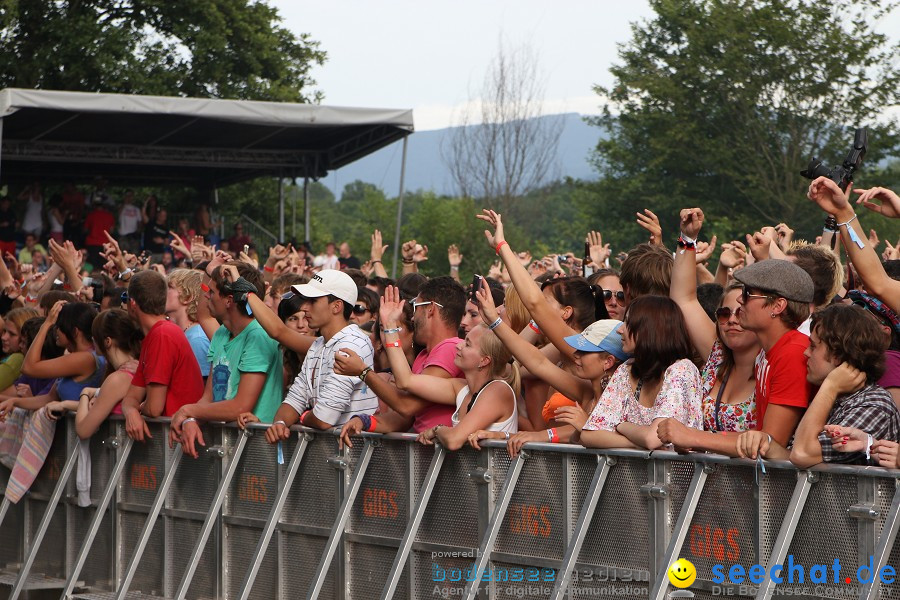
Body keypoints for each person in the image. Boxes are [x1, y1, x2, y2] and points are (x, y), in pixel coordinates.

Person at [467, 280, 627, 454]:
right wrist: (494, 321)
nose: (576, 355)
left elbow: (602, 434)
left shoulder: (622, 399)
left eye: (585, 351)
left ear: (608, 361)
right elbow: (537, 363)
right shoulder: (587, 392)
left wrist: (583, 426)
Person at [739, 304, 900, 466]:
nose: (806, 352)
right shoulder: (835, 397)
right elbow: (794, 456)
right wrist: (766, 444)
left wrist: (830, 387)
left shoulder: (874, 405)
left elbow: (802, 454)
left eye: (814, 346)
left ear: (837, 355)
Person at [657, 208, 760, 455]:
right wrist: (687, 239)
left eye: (741, 312)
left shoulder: (773, 365)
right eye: (724, 314)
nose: (732, 320)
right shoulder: (716, 357)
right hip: (701, 486)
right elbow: (683, 298)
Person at [372, 285, 519, 450]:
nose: (458, 346)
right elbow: (406, 381)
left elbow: (454, 439)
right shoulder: (460, 388)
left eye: (468, 344)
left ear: (484, 360)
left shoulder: (498, 390)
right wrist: (390, 326)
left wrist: (437, 430)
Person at [168, 263, 283, 457]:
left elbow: (240, 406)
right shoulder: (222, 333)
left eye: (211, 292)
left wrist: (188, 410)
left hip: (259, 451)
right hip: (229, 447)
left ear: (229, 300)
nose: (205, 296)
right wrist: (190, 420)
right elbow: (208, 397)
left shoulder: (258, 335)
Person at [264, 270, 377, 443]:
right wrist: (280, 422)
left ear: (336, 306)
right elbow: (296, 397)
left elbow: (324, 418)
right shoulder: (318, 344)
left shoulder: (352, 344)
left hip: (355, 456)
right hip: (335, 456)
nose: (304, 307)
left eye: (313, 301)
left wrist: (301, 417)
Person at [578, 296, 702, 450]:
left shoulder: (682, 369)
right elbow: (589, 435)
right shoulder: (626, 369)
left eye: (628, 323)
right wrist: (636, 444)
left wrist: (621, 425)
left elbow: (653, 438)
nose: (620, 329)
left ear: (650, 329)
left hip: (676, 474)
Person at [730, 260, 815, 458]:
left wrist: (690, 437)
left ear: (777, 306)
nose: (740, 300)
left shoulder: (795, 352)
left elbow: (767, 442)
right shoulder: (766, 351)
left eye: (747, 293)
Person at [119, 271, 204, 442]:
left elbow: (154, 408)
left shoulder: (162, 334)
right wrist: (131, 412)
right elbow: (131, 397)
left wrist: (139, 408)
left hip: (179, 441)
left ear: (132, 304)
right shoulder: (156, 333)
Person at [43, 308, 143, 439]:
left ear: (107, 341)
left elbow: (83, 430)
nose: (92, 341)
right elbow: (103, 407)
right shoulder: (131, 371)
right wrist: (66, 404)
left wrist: (85, 393)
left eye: (94, 336)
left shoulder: (118, 379)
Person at [1, 302, 105, 418]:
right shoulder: (78, 357)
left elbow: (28, 367)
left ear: (75, 332)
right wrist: (14, 401)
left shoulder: (86, 358)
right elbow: (48, 398)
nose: (55, 331)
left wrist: (46, 324)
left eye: (59, 326)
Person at [166, 269, 213, 379]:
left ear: (188, 297)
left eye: (170, 287)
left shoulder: (197, 339)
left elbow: (200, 389)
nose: (163, 292)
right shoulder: (185, 333)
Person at [0, 308, 41, 391]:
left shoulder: (18, 358)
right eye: (4, 331)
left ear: (26, 336)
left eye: (12, 334)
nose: (3, 337)